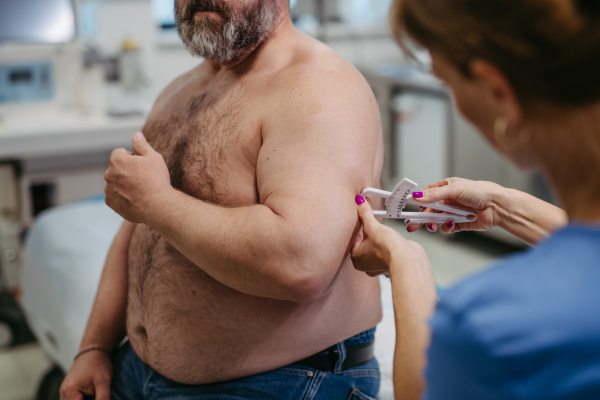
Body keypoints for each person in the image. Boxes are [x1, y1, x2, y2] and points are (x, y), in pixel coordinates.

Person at [59, 0, 384, 399]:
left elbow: (301, 264)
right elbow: (138, 229)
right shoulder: (180, 91)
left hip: (284, 379)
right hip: (137, 369)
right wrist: (94, 348)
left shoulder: (318, 87)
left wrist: (156, 203)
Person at [351, 0, 600, 399]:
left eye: (448, 83)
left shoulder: (489, 324)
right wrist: (502, 206)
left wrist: (407, 266)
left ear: (498, 92)